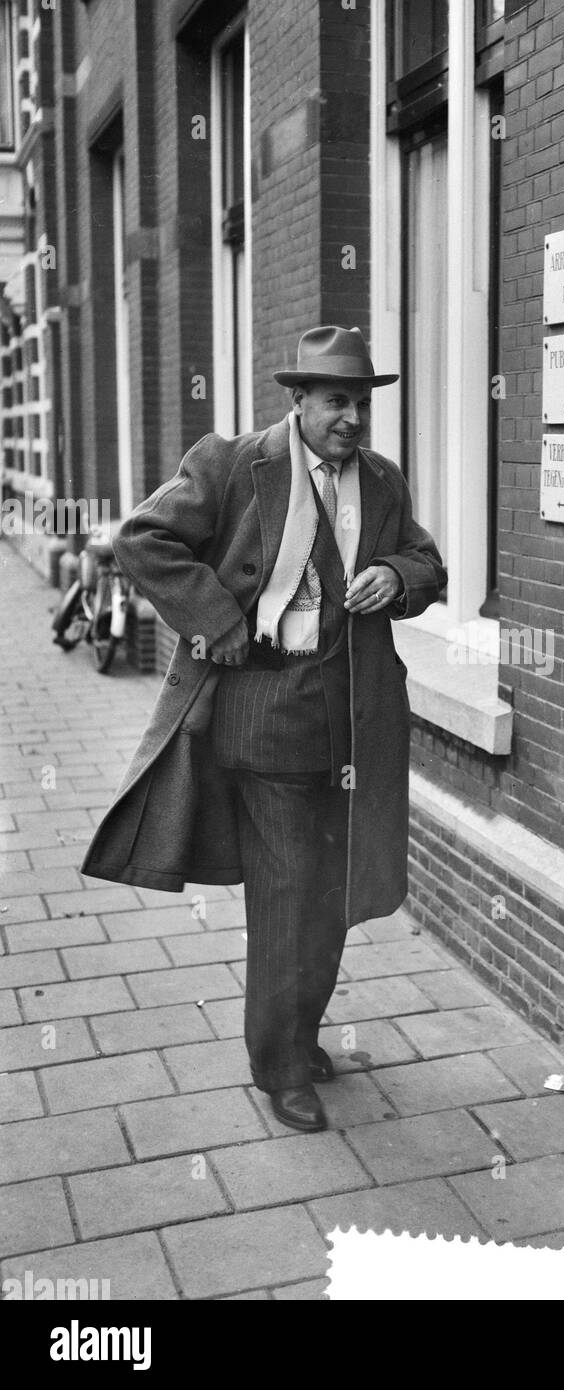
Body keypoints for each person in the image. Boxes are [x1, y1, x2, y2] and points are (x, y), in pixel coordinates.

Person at [82, 325, 447, 1133]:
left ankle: (302, 1035)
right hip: (263, 714)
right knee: (286, 895)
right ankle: (276, 1064)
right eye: (335, 402)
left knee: (334, 892)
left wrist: (397, 574)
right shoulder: (233, 462)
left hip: (354, 720)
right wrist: (215, 617)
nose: (351, 418)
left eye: (361, 403)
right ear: (298, 401)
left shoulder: (381, 483)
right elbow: (141, 539)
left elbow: (429, 564)